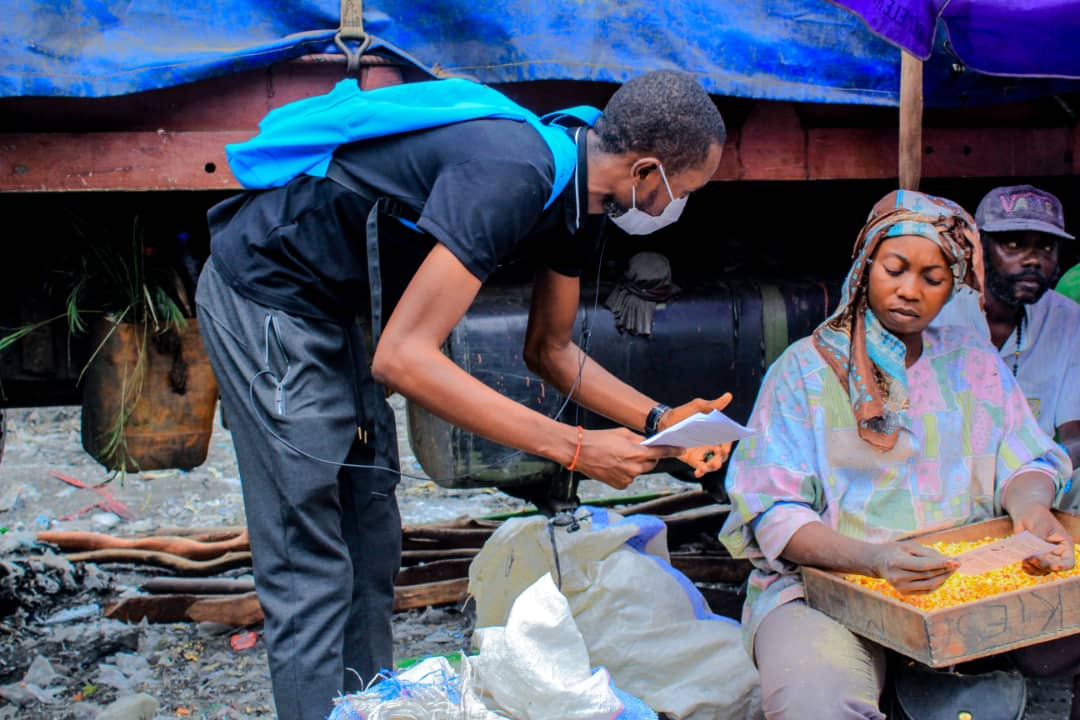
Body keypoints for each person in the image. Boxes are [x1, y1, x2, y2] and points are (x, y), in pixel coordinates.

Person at [195, 70, 733, 720]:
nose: (678, 206)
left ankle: (369, 711)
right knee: (309, 561)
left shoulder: (584, 201)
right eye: (685, 191)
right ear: (648, 171)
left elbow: (551, 350)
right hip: (268, 296)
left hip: (343, 312)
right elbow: (403, 359)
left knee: (371, 542)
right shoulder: (516, 172)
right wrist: (576, 447)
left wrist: (657, 419)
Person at [719, 189, 1076, 719]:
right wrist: (876, 560)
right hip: (829, 589)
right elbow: (775, 513)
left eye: (933, 279)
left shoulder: (970, 358)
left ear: (954, 286)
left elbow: (1027, 459)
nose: (910, 291)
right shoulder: (805, 371)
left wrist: (1031, 511)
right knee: (816, 701)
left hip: (963, 581)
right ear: (865, 264)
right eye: (895, 269)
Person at [933, 185, 1080, 504]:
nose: (1033, 260)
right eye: (1013, 244)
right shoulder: (936, 313)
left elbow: (1075, 438)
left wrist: (1032, 483)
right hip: (941, 490)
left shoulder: (1068, 319)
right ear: (978, 247)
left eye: (1046, 247)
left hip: (1035, 488)